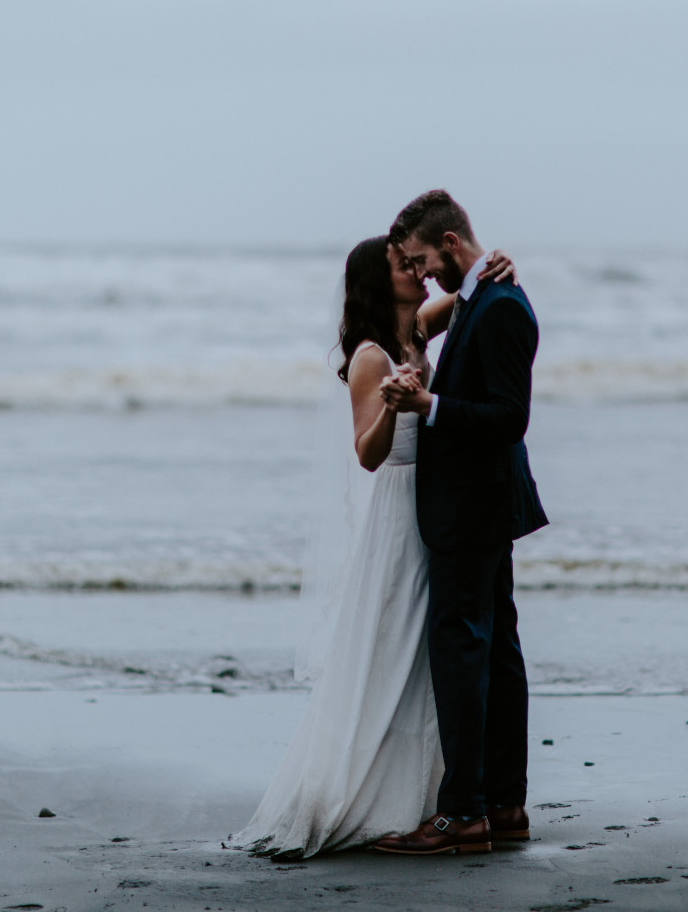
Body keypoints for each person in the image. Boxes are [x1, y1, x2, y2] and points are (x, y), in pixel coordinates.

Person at [225, 232, 517, 858]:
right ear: (375, 282)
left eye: (416, 261)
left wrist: (493, 265)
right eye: (402, 265)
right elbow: (366, 454)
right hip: (400, 510)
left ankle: (435, 793)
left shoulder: (416, 330)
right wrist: (392, 404)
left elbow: (463, 297)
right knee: (393, 646)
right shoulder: (370, 357)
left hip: (432, 504)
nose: (416, 270)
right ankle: (377, 790)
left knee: (424, 656)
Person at [372, 190, 547, 856]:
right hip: (478, 501)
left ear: (449, 244)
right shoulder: (481, 292)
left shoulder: (500, 304)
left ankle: (463, 812)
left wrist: (430, 403)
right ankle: (503, 805)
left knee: (465, 650)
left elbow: (508, 418)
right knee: (495, 647)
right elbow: (429, 317)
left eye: (421, 260)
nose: (420, 275)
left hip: (473, 502)